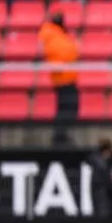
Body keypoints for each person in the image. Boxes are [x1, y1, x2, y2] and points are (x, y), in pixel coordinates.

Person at [38, 12, 79, 147]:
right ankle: (59, 137)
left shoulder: (54, 35)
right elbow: (65, 54)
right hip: (63, 78)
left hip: (65, 77)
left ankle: (61, 136)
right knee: (67, 108)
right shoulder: (53, 36)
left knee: (66, 108)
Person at [88, 138, 112, 217]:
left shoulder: (101, 165)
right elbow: (108, 184)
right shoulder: (101, 167)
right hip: (104, 207)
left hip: (104, 206)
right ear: (106, 150)